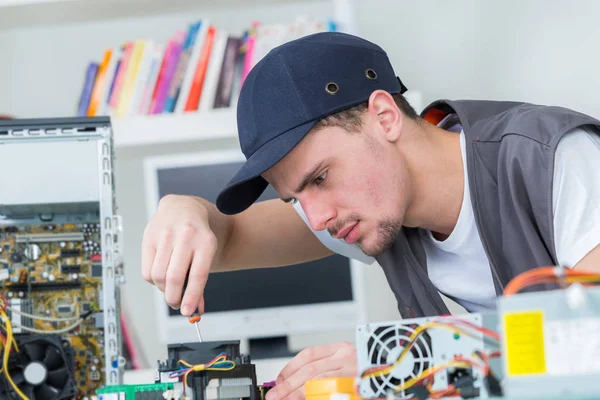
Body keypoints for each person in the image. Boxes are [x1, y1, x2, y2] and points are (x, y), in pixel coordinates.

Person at [142, 32, 600, 400]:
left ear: (384, 117)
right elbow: (231, 237)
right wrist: (184, 209)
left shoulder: (554, 158)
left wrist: (399, 363)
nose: (317, 218)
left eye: (319, 178)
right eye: (295, 199)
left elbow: (590, 340)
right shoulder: (373, 207)